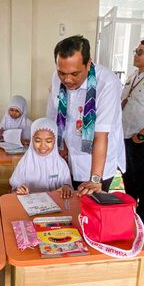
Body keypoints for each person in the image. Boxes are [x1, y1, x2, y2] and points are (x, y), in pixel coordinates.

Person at [45, 35, 125, 195]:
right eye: (62, 73)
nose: (67, 79)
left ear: (88, 64)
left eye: (74, 74)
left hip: (96, 165)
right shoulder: (56, 78)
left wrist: (95, 179)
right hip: (67, 159)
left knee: (90, 206)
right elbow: (53, 117)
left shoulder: (107, 83)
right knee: (67, 205)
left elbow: (101, 135)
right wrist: (59, 148)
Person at [121, 38, 144, 221]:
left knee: (142, 175)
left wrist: (143, 134)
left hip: (142, 136)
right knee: (127, 174)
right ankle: (130, 206)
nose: (136, 55)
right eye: (136, 51)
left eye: (140, 52)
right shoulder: (133, 75)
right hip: (125, 133)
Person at [9, 118, 73, 198]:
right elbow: (15, 187)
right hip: (29, 202)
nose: (43, 146)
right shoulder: (24, 163)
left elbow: (67, 185)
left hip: (54, 203)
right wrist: (20, 189)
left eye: (48, 141)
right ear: (32, 140)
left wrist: (66, 187)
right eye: (37, 141)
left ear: (55, 141)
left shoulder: (61, 164)